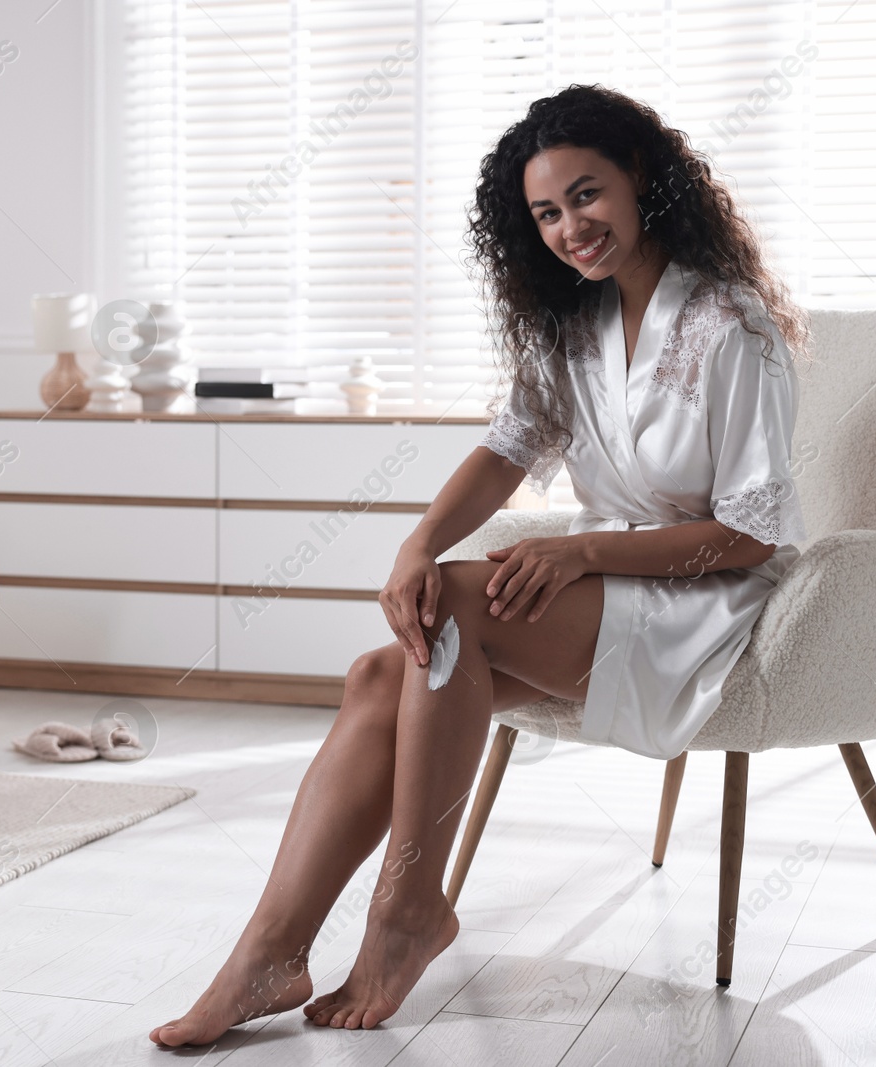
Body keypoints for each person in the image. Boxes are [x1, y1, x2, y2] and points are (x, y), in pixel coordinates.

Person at [150, 83, 810, 1048]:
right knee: (385, 668)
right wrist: (416, 545)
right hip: (610, 575)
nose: (570, 227)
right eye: (546, 212)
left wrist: (577, 547)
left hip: (706, 594)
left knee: (451, 612)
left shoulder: (731, 327)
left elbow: (752, 532)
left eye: (587, 195)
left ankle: (409, 909)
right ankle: (269, 952)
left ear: (639, 178)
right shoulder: (572, 324)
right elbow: (509, 448)